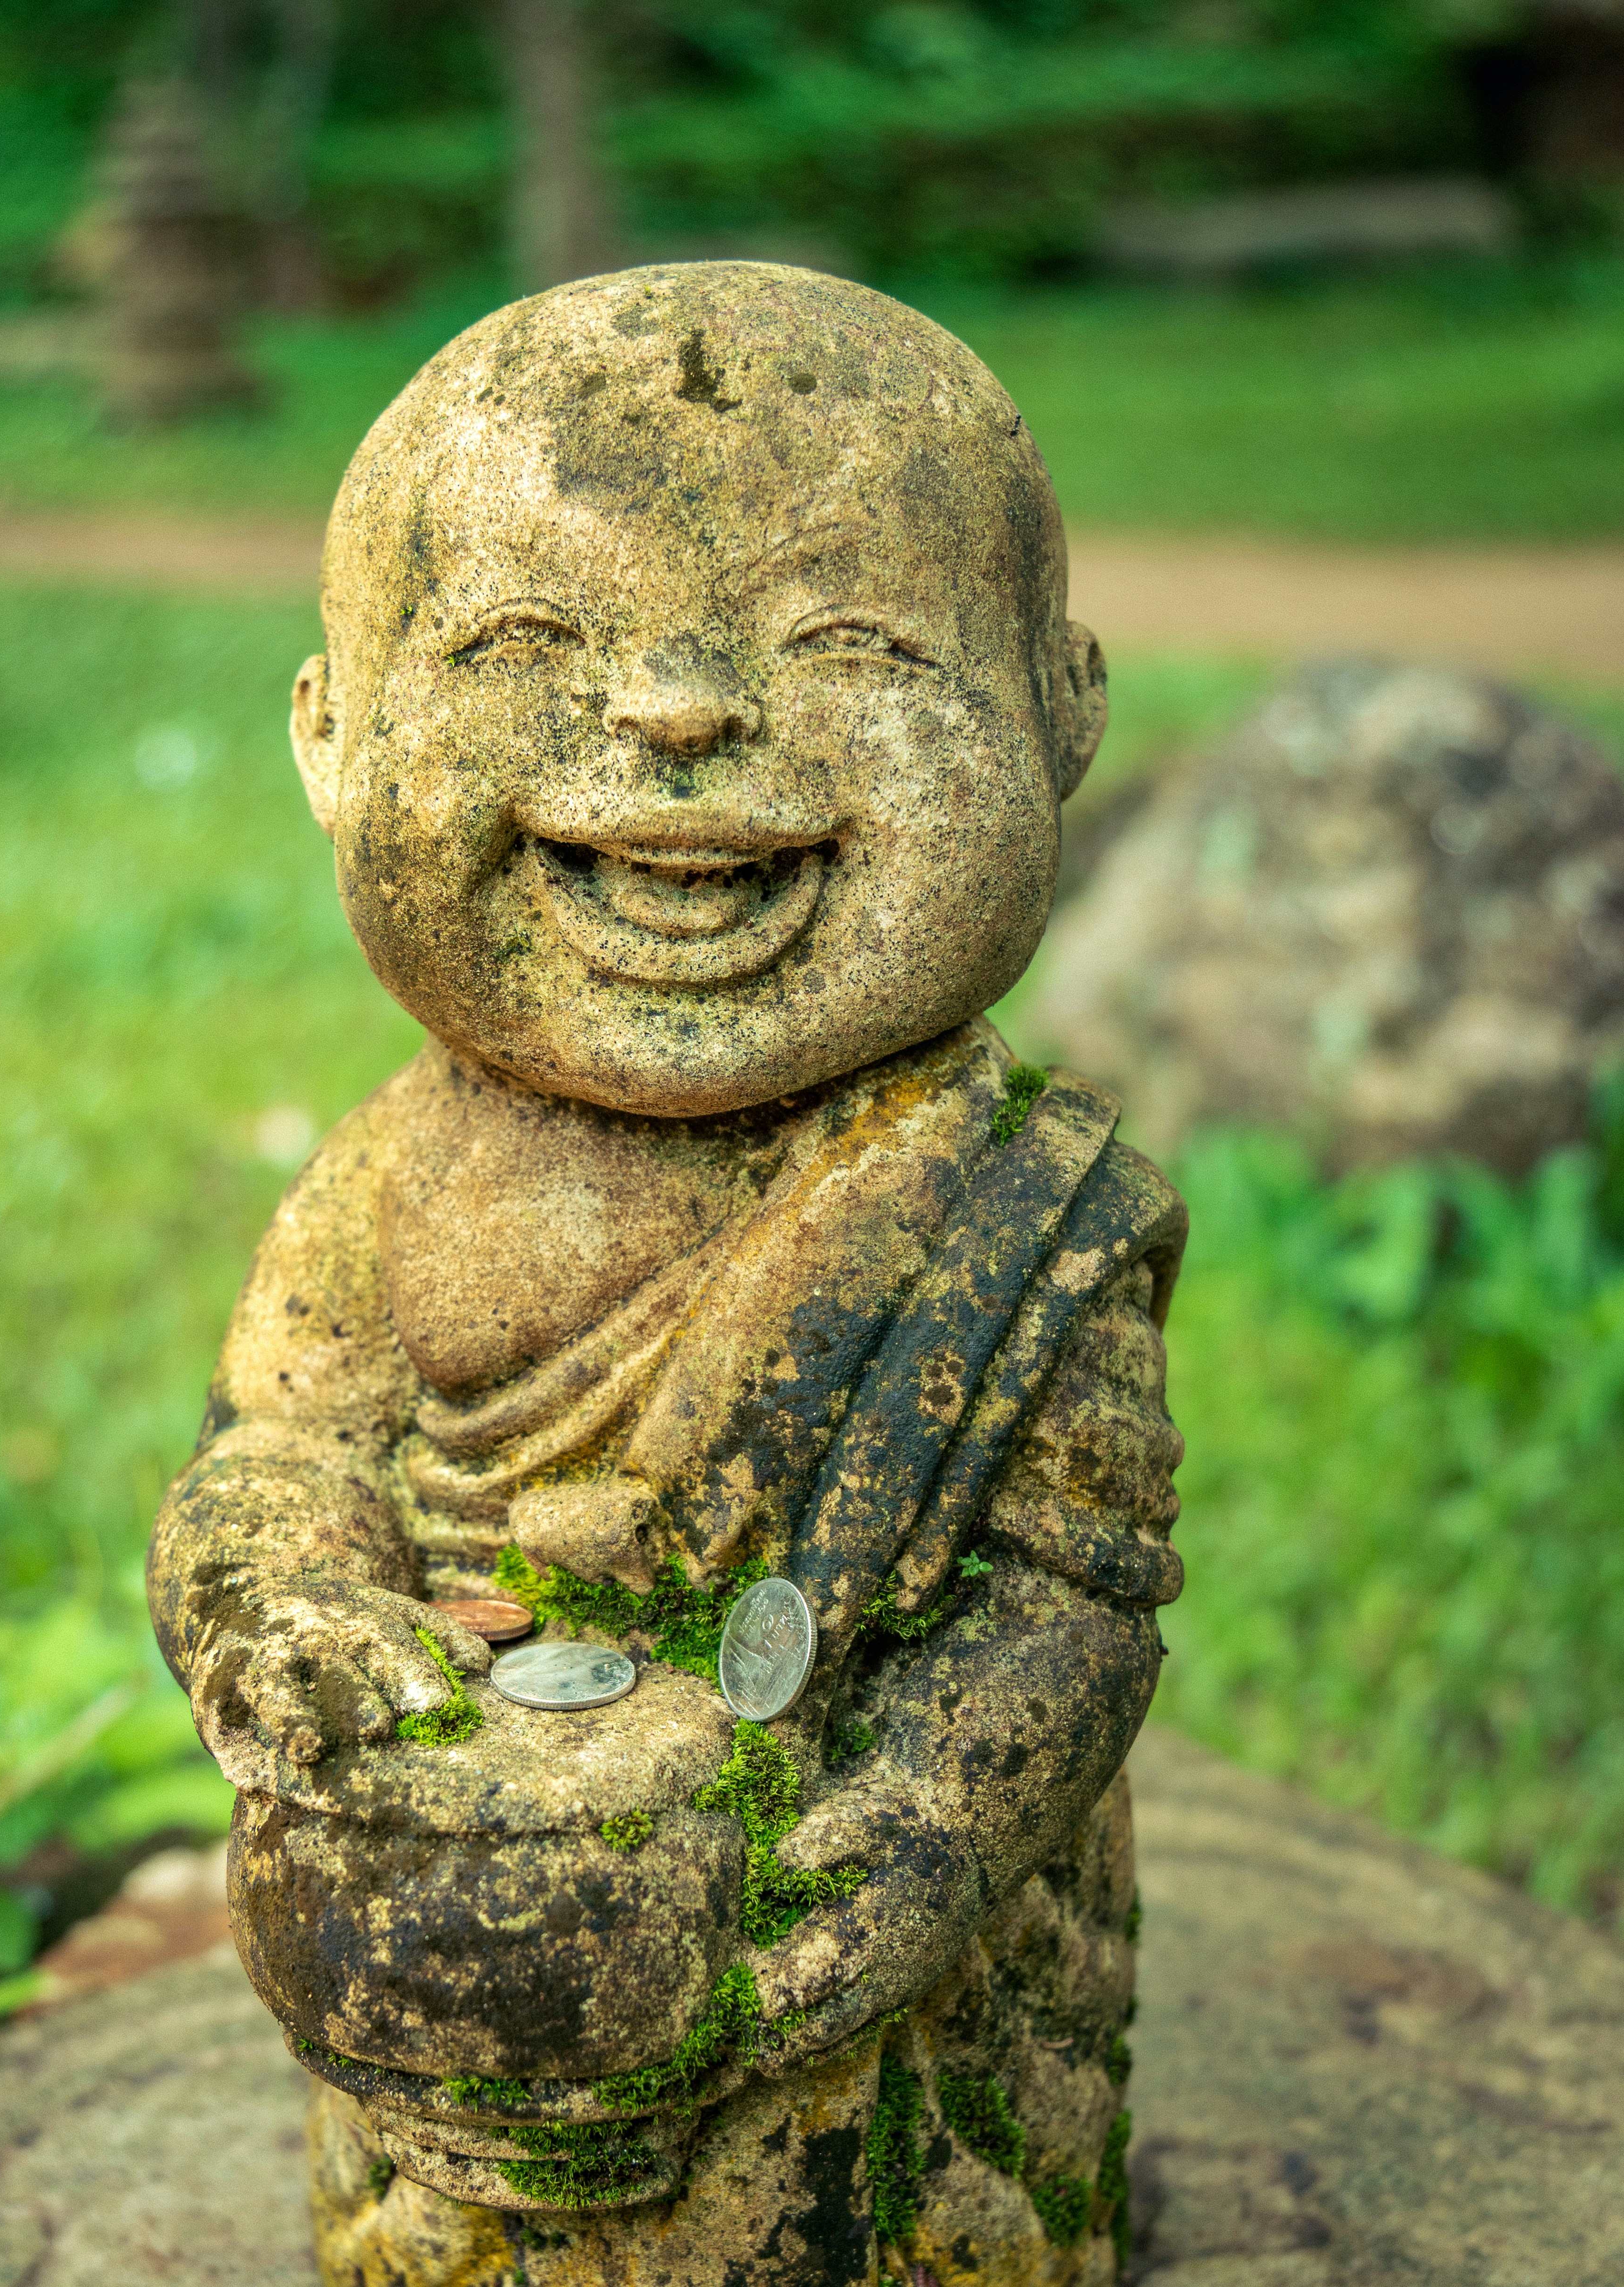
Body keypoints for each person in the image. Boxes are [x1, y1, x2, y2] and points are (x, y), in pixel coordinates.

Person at [149, 262, 1185, 2285]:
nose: (681, 708)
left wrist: (901, 1861)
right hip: (465, 1910)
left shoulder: (1018, 1211)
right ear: (330, 733)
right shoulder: (391, 1179)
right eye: (536, 636)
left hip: (874, 1956)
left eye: (849, 637)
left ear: (1063, 711)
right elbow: (270, 1458)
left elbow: (1075, 1599)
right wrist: (276, 1626)